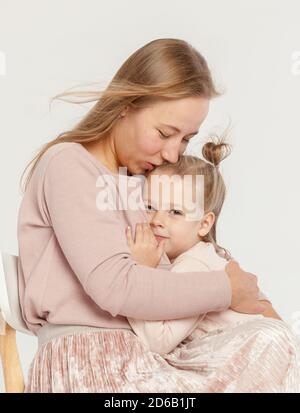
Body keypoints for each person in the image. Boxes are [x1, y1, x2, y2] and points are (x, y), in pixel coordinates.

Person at [17, 38, 291, 393]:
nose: (173, 154)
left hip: (146, 357)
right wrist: (226, 288)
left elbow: (187, 259)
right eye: (165, 133)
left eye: (185, 140)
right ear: (125, 107)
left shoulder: (140, 186)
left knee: (271, 341)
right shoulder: (70, 164)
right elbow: (116, 286)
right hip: (89, 363)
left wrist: (253, 301)